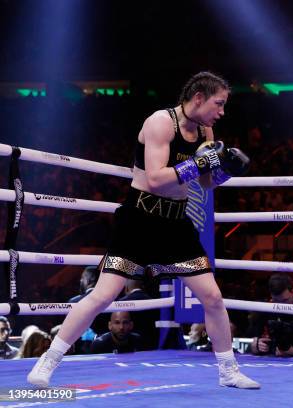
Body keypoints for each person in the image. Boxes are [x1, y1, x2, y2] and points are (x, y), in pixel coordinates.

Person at [27, 71, 259, 389]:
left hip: (176, 223)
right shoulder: (160, 123)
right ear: (199, 98)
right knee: (102, 295)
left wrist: (223, 172)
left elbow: (204, 184)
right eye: (218, 104)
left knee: (213, 297)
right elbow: (156, 179)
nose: (222, 112)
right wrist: (203, 163)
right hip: (140, 219)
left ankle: (228, 372)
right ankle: (47, 363)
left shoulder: (206, 129)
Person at [249, 274, 293, 357]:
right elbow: (254, 342)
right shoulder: (264, 310)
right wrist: (255, 346)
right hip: (268, 361)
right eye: (276, 301)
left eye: (285, 300)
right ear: (271, 295)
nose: (281, 306)